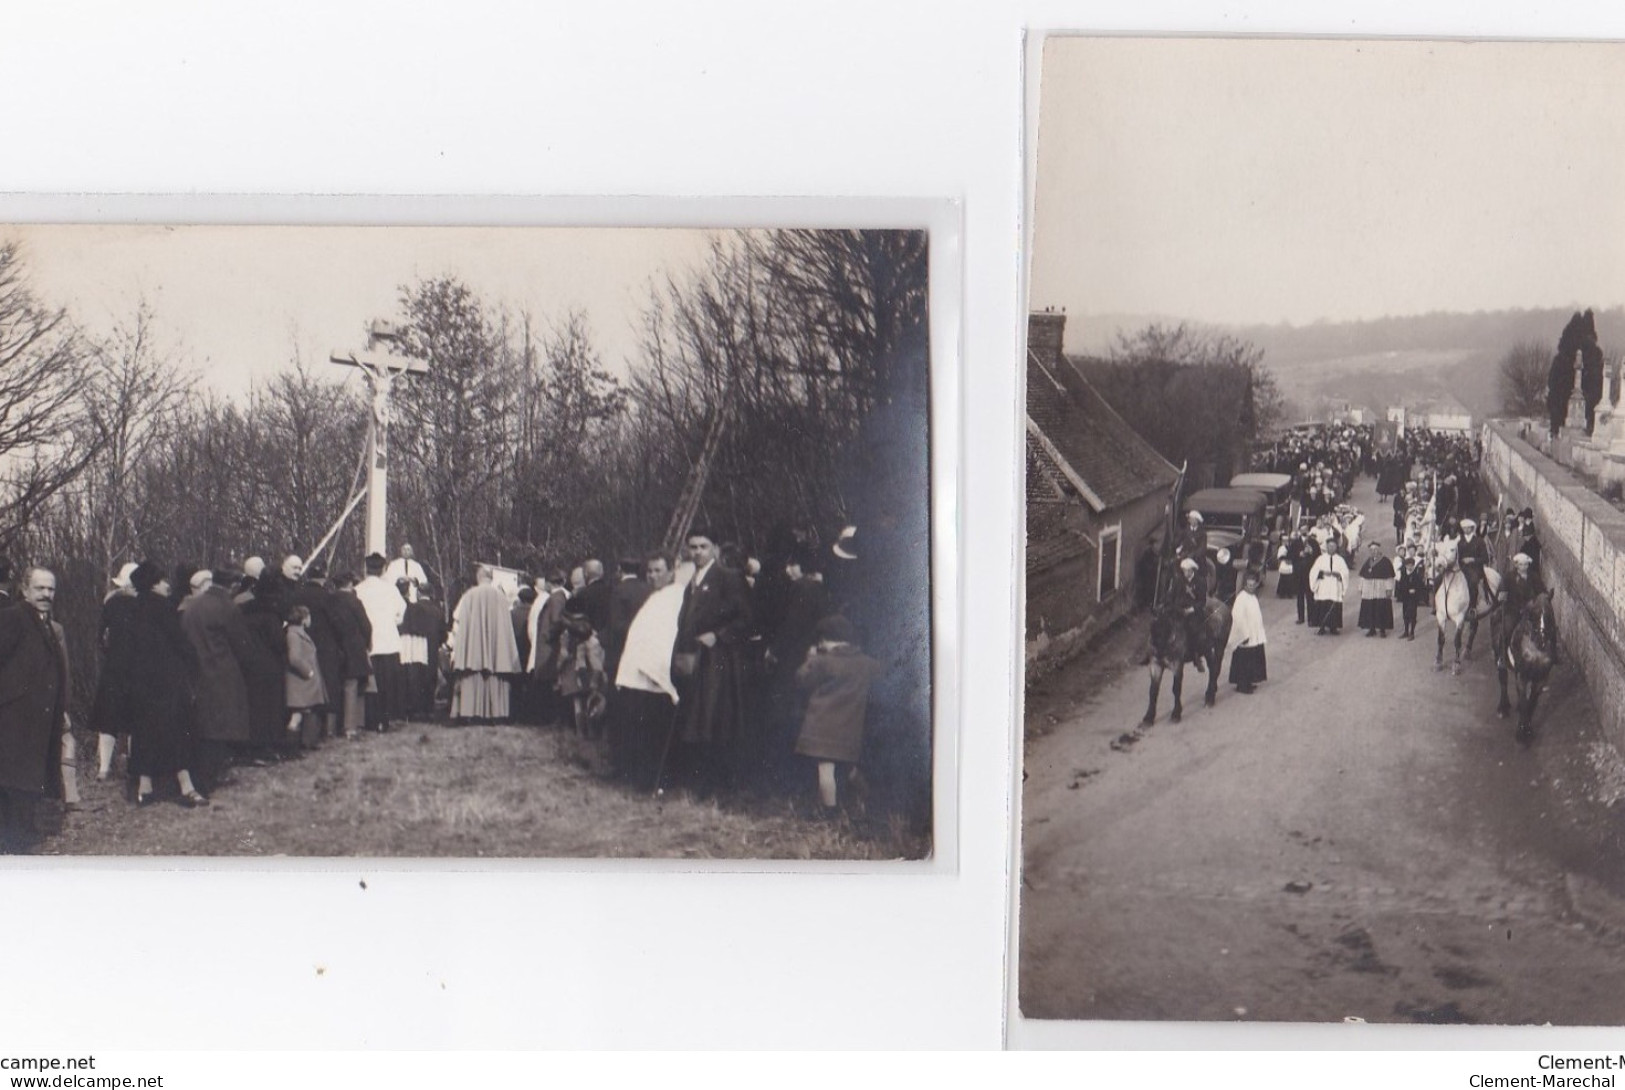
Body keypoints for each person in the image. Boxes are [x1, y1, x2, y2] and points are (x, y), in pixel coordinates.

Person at [110, 562, 207, 807]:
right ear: (154, 584)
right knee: (178, 732)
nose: (168, 585)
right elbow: (180, 641)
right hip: (167, 681)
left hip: (140, 683)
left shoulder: (131, 609)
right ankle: (187, 788)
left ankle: (145, 789)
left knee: (144, 732)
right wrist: (194, 663)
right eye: (163, 580)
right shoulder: (163, 607)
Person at [673, 528, 755, 792]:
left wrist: (719, 636)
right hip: (695, 658)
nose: (697, 552)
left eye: (703, 547)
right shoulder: (692, 581)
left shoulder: (727, 577)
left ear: (715, 549)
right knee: (697, 719)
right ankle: (700, 782)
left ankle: (720, 786)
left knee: (716, 720)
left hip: (719, 660)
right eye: (693, 547)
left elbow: (746, 618)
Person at [0, 568, 72, 851]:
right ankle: (14, 843)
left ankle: (20, 838)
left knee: (27, 781)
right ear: (25, 590)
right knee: (13, 782)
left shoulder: (46, 623)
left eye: (50, 590)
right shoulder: (13, 618)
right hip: (14, 719)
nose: (45, 595)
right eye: (39, 588)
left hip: (39, 721)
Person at [178, 567, 265, 788]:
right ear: (233, 586)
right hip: (222, 673)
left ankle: (201, 775)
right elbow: (242, 645)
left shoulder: (192, 605)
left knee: (203, 725)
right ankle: (209, 778)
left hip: (194, 672)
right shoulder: (227, 607)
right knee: (220, 727)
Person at [794, 614, 883, 814]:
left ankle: (829, 812)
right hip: (852, 727)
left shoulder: (822, 662)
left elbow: (801, 680)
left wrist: (810, 658)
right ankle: (869, 799)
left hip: (823, 729)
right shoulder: (866, 663)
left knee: (826, 771)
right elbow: (880, 675)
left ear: (823, 640)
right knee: (850, 769)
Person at [611, 557, 686, 790]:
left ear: (671, 571)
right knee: (635, 729)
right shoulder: (654, 597)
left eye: (658, 570)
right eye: (650, 571)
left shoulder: (676, 596)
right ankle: (631, 776)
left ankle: (651, 781)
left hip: (655, 675)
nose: (653, 576)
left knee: (652, 732)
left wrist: (660, 668)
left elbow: (669, 634)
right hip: (637, 675)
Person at [448, 564, 523, 725]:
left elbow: (457, 617)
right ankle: (496, 714)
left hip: (473, 648)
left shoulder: (469, 595)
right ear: (492, 578)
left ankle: (470, 712)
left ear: (478, 577)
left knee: (471, 675)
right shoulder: (501, 597)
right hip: (496, 649)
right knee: (495, 677)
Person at [88, 561, 139, 781]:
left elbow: (101, 637)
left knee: (108, 719)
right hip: (137, 668)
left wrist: (110, 652)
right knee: (135, 719)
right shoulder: (143, 605)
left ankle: (104, 768)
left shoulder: (110, 603)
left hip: (113, 668)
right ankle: (133, 766)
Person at [355, 552, 406, 732]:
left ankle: (370, 720)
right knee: (387, 683)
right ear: (384, 569)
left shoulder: (359, 589)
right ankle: (384, 721)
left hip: (368, 643)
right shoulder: (391, 590)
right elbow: (401, 615)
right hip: (389, 642)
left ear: (366, 568)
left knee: (370, 684)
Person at [328, 570, 373, 738]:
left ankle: (332, 728)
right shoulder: (354, 601)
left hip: (334, 647)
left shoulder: (330, 600)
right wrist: (366, 644)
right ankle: (351, 727)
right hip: (353, 648)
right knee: (353, 687)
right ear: (349, 584)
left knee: (336, 686)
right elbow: (366, 626)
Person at [284, 604, 327, 744]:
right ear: (303, 619)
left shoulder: (296, 633)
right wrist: (308, 672)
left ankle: (304, 742)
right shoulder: (294, 635)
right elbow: (294, 658)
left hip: (303, 682)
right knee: (298, 714)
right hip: (301, 681)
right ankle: (293, 744)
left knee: (303, 712)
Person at [1225, 569, 1268, 694]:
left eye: (1253, 585)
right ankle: (1242, 685)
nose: (1251, 587)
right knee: (1244, 660)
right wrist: (1244, 634)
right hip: (1245, 634)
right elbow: (1238, 617)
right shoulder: (1241, 598)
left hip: (1254, 632)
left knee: (1252, 659)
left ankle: (1247, 681)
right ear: (1245, 585)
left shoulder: (1252, 597)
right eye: (1249, 585)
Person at [1169, 557, 1209, 671]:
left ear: (1193, 570)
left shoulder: (1200, 581)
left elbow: (1202, 601)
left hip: (1193, 612)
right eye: (1184, 570)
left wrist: (1191, 609)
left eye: (1188, 570)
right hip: (1179, 610)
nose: (1185, 573)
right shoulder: (1178, 581)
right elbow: (1172, 596)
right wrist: (1174, 606)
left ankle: (1196, 656)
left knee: (1193, 630)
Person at [1309, 536, 1350, 635]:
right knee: (1323, 606)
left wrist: (1339, 575)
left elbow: (1345, 573)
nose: (1331, 548)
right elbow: (1313, 572)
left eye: (1333, 546)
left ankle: (1333, 627)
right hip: (1324, 585)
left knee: (1334, 606)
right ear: (1326, 547)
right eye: (1329, 546)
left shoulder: (1340, 560)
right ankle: (1322, 627)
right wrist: (1322, 574)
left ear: (1336, 547)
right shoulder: (1320, 559)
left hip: (1335, 586)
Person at [1357, 541, 1396, 638]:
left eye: (1375, 549)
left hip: (1381, 589)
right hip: (1369, 589)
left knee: (1381, 609)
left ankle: (1382, 629)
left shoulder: (1385, 561)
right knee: (1370, 609)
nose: (1373, 551)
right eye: (1371, 550)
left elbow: (1389, 577)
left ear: (1379, 550)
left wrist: (1389, 589)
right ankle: (1372, 628)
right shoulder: (1368, 561)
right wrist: (1361, 587)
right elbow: (1362, 576)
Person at [1395, 548, 1428, 640]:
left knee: (1412, 614)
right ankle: (1406, 631)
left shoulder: (1416, 574)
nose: (1409, 567)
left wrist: (1415, 590)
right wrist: (1405, 591)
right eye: (1408, 565)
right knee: (1405, 614)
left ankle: (1412, 632)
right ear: (1405, 566)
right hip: (1405, 596)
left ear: (1413, 565)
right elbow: (1401, 584)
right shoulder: (1403, 573)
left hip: (1413, 598)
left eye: (1411, 565)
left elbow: (1420, 586)